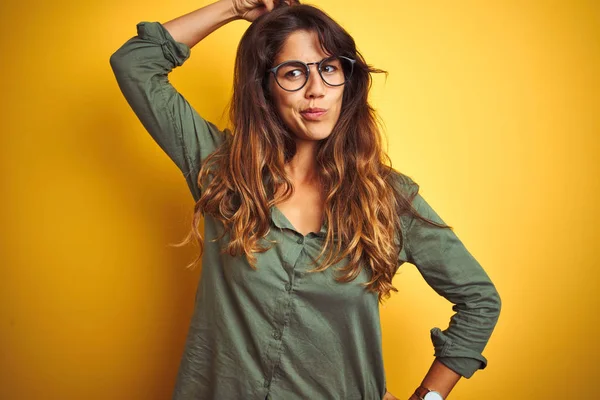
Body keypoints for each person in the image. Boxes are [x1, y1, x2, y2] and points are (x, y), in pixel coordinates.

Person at [109, 0, 501, 399]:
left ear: (347, 81)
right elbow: (134, 64)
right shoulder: (223, 171)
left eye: (328, 69)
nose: (315, 90)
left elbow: (479, 300)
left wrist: (427, 398)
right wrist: (235, 7)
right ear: (264, 87)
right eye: (293, 72)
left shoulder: (388, 199)